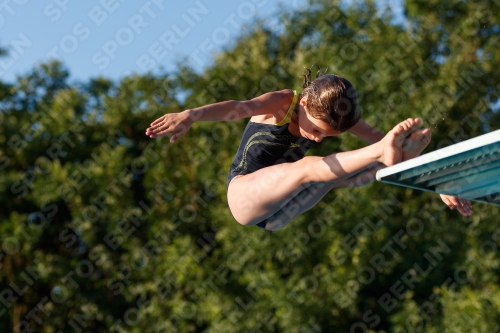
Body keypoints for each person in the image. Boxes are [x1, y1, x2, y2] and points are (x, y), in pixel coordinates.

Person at [145, 68, 473, 230]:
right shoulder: (282, 104)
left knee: (367, 169)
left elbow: (386, 143)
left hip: (282, 214)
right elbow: (239, 106)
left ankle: (414, 167)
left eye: (325, 134)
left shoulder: (340, 118)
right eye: (315, 129)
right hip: (245, 197)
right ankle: (384, 156)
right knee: (311, 165)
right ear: (303, 103)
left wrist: (437, 180)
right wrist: (190, 115)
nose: (316, 137)